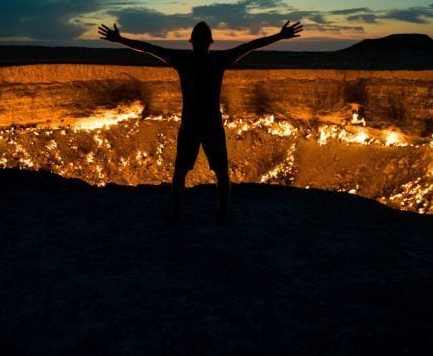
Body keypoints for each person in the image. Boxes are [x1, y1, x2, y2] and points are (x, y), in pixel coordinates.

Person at [98, 20, 303, 223]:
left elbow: (149, 48)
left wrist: (119, 39)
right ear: (210, 42)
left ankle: (178, 213)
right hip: (211, 124)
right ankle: (221, 213)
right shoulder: (218, 60)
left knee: (182, 172)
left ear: (191, 41)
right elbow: (249, 46)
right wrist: (279, 36)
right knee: (220, 171)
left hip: (191, 124)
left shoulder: (183, 60)